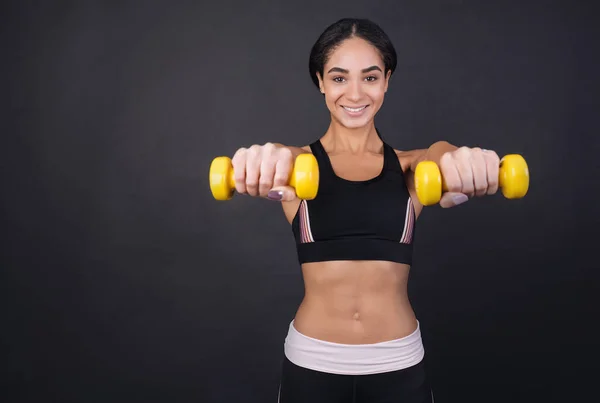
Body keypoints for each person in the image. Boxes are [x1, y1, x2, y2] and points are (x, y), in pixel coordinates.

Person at [230, 18, 500, 403]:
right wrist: (260, 158)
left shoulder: (413, 169)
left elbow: (440, 154)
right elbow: (276, 154)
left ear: (386, 80)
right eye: (339, 78)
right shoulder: (294, 167)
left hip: (398, 364)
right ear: (320, 81)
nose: (355, 93)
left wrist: (461, 159)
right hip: (313, 364)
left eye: (370, 77)